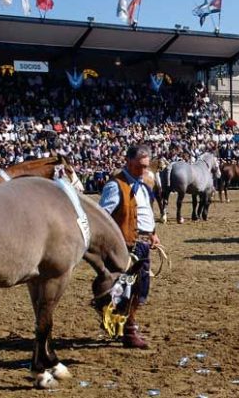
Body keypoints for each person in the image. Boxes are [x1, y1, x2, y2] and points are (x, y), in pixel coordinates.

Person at [98, 144, 161, 349]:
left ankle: (113, 316)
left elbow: (143, 212)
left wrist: (152, 233)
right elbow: (102, 217)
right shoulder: (116, 186)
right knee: (130, 289)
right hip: (126, 247)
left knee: (139, 289)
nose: (144, 171)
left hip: (142, 244)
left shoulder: (142, 186)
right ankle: (129, 330)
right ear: (128, 162)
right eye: (139, 167)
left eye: (146, 167)